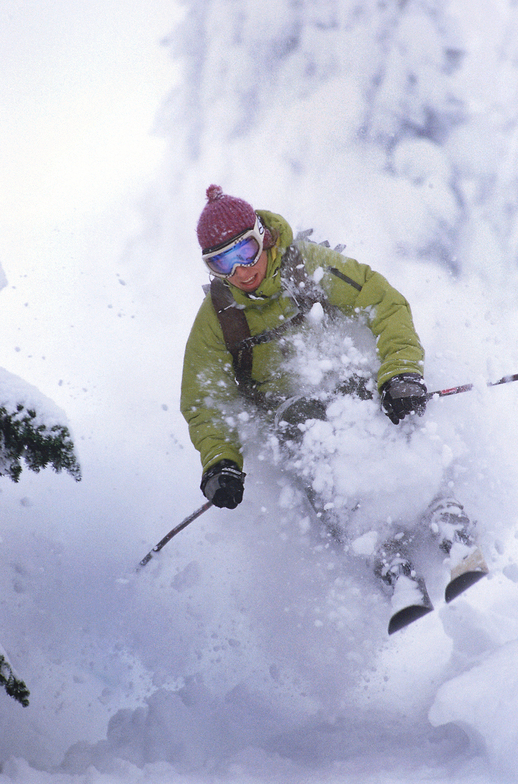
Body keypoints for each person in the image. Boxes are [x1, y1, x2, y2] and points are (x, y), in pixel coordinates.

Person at [181, 185, 486, 633]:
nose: (242, 270)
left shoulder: (309, 266)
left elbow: (386, 304)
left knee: (375, 420)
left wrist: (401, 373)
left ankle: (451, 528)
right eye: (223, 262)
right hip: (290, 418)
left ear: (262, 235)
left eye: (245, 250)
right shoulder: (217, 320)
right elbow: (204, 401)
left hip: (351, 385)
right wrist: (220, 462)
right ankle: (390, 564)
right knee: (311, 456)